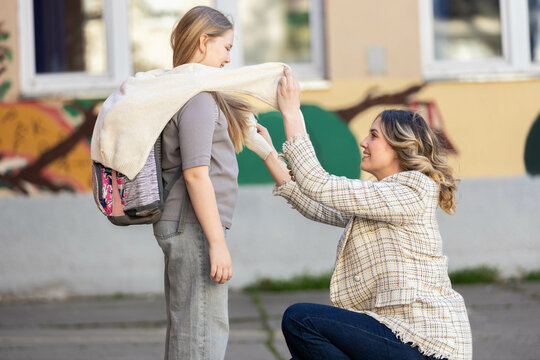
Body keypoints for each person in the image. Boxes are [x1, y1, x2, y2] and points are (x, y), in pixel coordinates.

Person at [257, 68, 472, 360]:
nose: (363, 142)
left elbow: (319, 185)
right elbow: (320, 206)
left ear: (400, 146)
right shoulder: (382, 197)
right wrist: (268, 153)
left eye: (373, 136)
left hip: (427, 345)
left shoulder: (413, 189)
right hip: (394, 334)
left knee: (300, 320)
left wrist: (292, 113)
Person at [151, 6, 276, 360]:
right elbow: (194, 173)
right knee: (202, 334)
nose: (228, 58)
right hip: (194, 225)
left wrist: (272, 157)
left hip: (191, 224)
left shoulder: (195, 93)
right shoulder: (199, 100)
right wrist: (217, 242)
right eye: (226, 48)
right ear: (204, 42)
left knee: (192, 328)